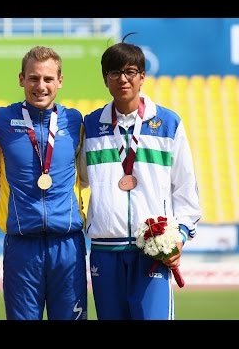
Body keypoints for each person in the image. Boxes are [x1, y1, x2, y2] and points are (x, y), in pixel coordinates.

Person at [78, 35, 202, 320]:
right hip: (105, 252)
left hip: (151, 250)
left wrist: (179, 236)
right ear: (105, 78)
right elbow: (76, 180)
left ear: (142, 76)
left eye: (130, 72)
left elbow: (185, 190)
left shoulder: (168, 124)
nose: (123, 79)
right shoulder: (91, 126)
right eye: (114, 72)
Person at [0, 46, 88, 320]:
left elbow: (89, 174)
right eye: (33, 78)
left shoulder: (75, 121)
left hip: (68, 245)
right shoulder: (0, 120)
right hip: (21, 245)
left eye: (48, 79)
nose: (40, 86)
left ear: (60, 82)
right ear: (21, 79)